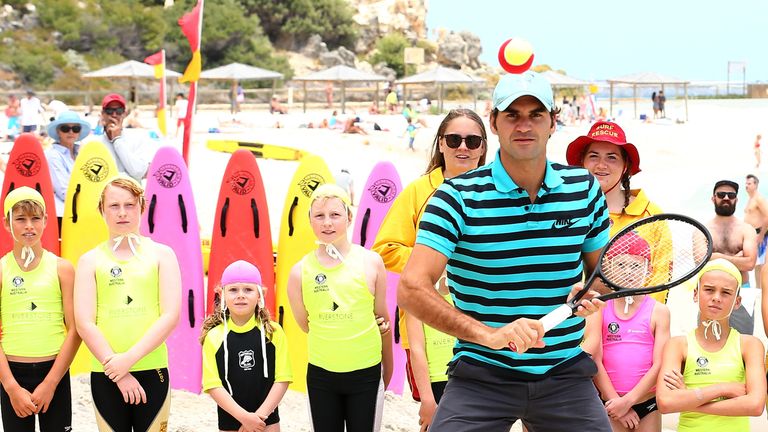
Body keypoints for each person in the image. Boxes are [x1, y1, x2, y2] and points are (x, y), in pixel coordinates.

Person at [398, 71, 612, 431]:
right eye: (512, 114)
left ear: (552, 123)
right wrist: (490, 335)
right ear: (494, 122)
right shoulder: (456, 198)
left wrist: (595, 290)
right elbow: (411, 288)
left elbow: (605, 277)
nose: (524, 125)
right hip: (482, 372)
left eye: (535, 115)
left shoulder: (583, 189)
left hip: (564, 371)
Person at [373, 108, 488, 430]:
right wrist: (440, 264)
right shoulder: (418, 192)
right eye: (454, 139)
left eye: (472, 140)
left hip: (488, 322)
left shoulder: (500, 191)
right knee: (434, 415)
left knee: (487, 416)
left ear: (482, 147)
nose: (462, 147)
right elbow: (385, 249)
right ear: (440, 144)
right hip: (428, 325)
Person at [74, 176, 181, 432]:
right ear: (102, 210)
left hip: (152, 368)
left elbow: (170, 315)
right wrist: (118, 370)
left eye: (130, 205)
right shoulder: (89, 261)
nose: (122, 213)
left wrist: (127, 361)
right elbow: (84, 322)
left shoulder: (162, 255)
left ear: (142, 207)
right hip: (106, 372)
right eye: (114, 206)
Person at [287, 184, 393, 432]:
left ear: (349, 217)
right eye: (319, 216)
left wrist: (387, 369)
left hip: (365, 373)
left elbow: (382, 319)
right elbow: (306, 324)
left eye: (335, 215)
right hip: (322, 375)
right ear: (309, 220)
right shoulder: (299, 272)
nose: (327, 223)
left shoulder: (371, 262)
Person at [0, 187, 79, 431]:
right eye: (20, 219)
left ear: (45, 220)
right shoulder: (1, 271)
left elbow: (75, 330)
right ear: (6, 223)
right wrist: (11, 387)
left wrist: (51, 382)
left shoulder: (62, 269)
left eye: (35, 218)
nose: (29, 226)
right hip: (12, 375)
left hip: (54, 371)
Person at [566, 120, 669, 304]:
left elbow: (659, 282)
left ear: (625, 167)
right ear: (582, 162)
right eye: (593, 156)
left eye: (611, 157)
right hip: (577, 326)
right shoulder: (566, 210)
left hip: (633, 328)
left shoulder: (651, 215)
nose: (601, 165)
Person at [657, 259, 766, 429]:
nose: (716, 298)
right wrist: (723, 389)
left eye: (726, 293)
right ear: (695, 294)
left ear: (737, 302)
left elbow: (755, 405)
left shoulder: (750, 345)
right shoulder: (678, 345)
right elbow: (665, 402)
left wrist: (688, 399)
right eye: (709, 290)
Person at [583, 232, 670, 431]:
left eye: (636, 265)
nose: (628, 271)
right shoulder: (599, 308)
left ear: (649, 271)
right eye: (621, 265)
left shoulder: (659, 312)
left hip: (647, 402)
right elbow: (595, 359)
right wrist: (617, 402)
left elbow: (660, 364)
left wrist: (629, 401)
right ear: (609, 269)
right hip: (610, 403)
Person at [201, 260, 291, 432]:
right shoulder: (214, 337)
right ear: (222, 294)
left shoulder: (273, 332)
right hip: (231, 420)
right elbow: (213, 385)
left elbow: (282, 379)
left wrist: (258, 418)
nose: (240, 295)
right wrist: (244, 418)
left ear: (260, 295)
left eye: (248, 290)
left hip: (267, 421)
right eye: (233, 290)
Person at [706, 179, 758, 335]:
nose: (726, 198)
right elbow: (701, 262)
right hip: (710, 293)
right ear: (713, 198)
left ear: (736, 199)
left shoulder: (746, 229)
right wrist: (738, 258)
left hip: (742, 293)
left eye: (731, 194)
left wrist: (717, 256)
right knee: (709, 343)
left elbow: (750, 264)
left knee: (743, 343)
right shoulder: (703, 229)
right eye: (721, 194)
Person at [45, 110, 91, 231]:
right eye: (65, 128)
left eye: (75, 128)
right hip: (63, 215)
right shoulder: (53, 155)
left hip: (82, 212)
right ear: (58, 131)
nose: (71, 132)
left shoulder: (81, 152)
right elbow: (64, 191)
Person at [99, 93, 151, 181]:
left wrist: (117, 140)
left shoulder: (138, 137)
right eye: (109, 111)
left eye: (119, 111)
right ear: (103, 114)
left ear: (124, 114)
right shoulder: (94, 143)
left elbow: (138, 172)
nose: (114, 115)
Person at [744, 174, 768, 290]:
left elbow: (767, 216)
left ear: (756, 185)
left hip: (760, 235)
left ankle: (762, 290)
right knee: (756, 264)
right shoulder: (750, 198)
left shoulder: (759, 199)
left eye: (749, 183)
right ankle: (758, 290)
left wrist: (762, 235)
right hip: (752, 235)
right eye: (746, 183)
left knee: (762, 265)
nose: (746, 186)